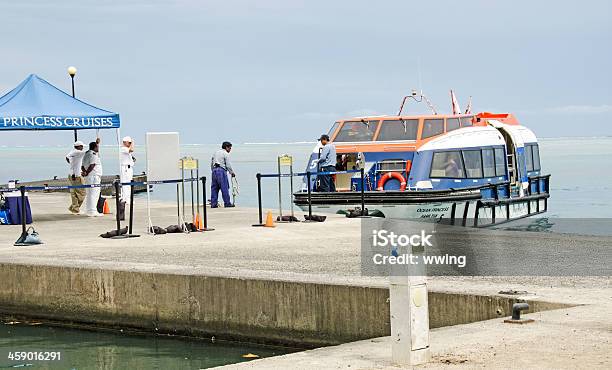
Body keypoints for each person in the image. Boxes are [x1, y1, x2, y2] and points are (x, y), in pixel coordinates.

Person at [210, 141, 235, 208]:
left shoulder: (216, 152)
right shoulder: (225, 153)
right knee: (224, 187)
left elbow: (212, 162)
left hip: (214, 170)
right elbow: (228, 165)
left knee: (214, 188)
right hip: (221, 170)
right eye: (230, 148)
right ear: (226, 147)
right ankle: (227, 203)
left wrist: (213, 170)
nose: (230, 150)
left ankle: (213, 204)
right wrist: (231, 172)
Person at [81, 141, 103, 217]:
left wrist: (85, 172)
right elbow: (92, 165)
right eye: (97, 147)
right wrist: (87, 172)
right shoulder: (93, 155)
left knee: (89, 194)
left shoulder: (86, 154)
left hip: (88, 177)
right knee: (94, 194)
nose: (98, 148)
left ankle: (88, 210)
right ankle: (93, 211)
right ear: (95, 147)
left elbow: (82, 166)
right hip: (94, 177)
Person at [65, 140, 86, 214]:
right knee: (82, 193)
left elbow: (67, 157)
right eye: (82, 146)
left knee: (74, 193)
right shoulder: (78, 152)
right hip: (76, 176)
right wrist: (97, 144)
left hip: (71, 174)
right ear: (78, 147)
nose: (83, 147)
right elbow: (89, 152)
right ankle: (75, 209)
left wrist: (72, 165)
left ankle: (74, 208)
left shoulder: (72, 151)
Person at [119, 136, 136, 203]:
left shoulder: (126, 149)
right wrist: (133, 142)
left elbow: (132, 157)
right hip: (126, 168)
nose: (129, 144)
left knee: (128, 183)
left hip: (128, 168)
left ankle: (127, 198)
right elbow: (131, 150)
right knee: (126, 183)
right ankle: (126, 199)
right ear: (124, 142)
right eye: (129, 143)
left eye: (130, 143)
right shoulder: (123, 148)